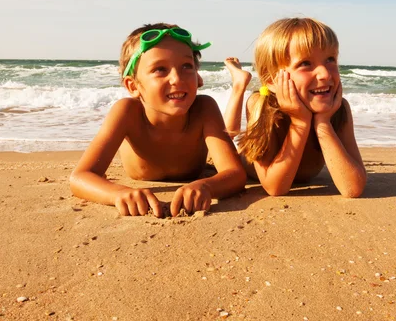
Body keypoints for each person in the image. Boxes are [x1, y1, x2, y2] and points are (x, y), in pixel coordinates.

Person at [70, 23, 246, 217]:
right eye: (160, 69)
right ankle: (237, 85)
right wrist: (118, 194)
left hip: (201, 168)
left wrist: (207, 186)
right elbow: (80, 177)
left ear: (198, 78)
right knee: (227, 135)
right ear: (132, 86)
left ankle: (238, 86)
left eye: (186, 66)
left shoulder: (204, 108)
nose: (177, 78)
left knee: (234, 142)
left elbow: (235, 173)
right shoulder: (128, 112)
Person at [224, 17, 366, 198]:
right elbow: (275, 188)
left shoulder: (339, 110)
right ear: (271, 80)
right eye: (305, 63)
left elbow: (353, 188)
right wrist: (300, 122)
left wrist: (323, 123)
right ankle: (239, 83)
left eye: (330, 59)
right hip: (244, 162)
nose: (324, 74)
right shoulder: (262, 106)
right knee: (228, 136)